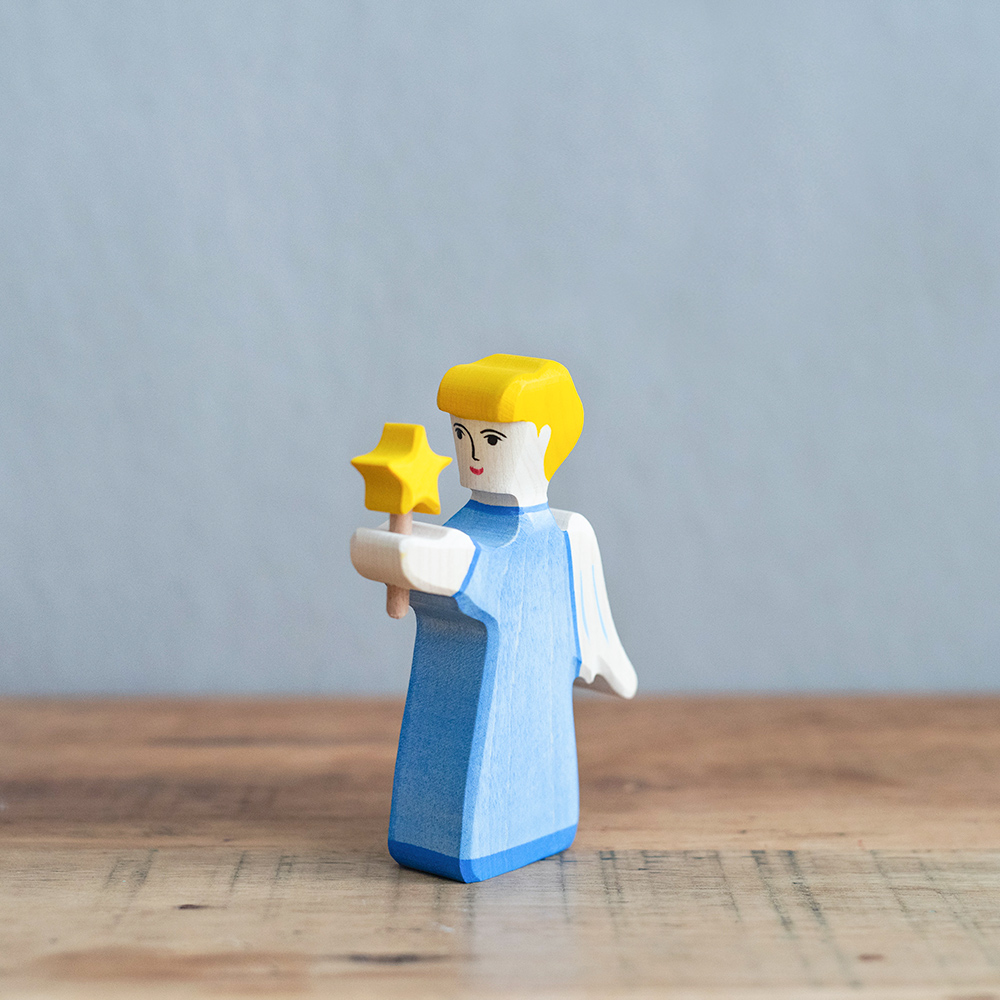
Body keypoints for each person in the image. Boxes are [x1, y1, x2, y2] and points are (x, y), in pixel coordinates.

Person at [351, 354, 636, 882]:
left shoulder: (554, 538)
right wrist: (394, 551)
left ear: (543, 441)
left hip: (525, 708)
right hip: (461, 695)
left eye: (492, 438)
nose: (473, 453)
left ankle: (527, 825)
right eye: (462, 435)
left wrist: (399, 553)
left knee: (499, 762)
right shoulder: (469, 529)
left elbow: (471, 565)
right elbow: (452, 555)